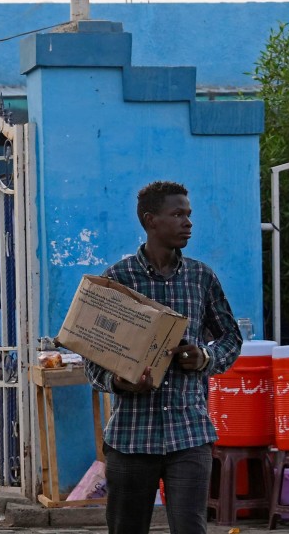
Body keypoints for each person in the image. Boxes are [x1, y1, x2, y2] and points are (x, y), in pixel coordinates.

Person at [83, 181, 242, 534]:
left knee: (190, 528)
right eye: (178, 214)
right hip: (131, 437)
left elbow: (231, 338)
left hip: (190, 433)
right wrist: (117, 382)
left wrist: (204, 357)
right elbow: (92, 358)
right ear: (150, 220)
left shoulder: (201, 277)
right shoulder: (118, 279)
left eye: (189, 214)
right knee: (126, 528)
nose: (188, 222)